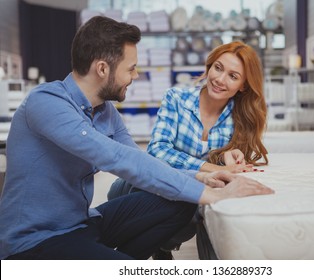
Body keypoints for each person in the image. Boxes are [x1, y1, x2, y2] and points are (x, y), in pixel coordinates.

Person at [0, 16, 273, 260]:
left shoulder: (104, 110)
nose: (136, 75)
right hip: (35, 242)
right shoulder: (46, 103)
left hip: (81, 223)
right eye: (131, 69)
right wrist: (211, 196)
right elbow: (118, 158)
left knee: (179, 203)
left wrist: (201, 178)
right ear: (103, 69)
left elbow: (140, 161)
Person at [108, 41, 269, 259]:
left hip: (182, 196)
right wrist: (211, 167)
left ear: (243, 85)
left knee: (188, 209)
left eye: (233, 76)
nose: (220, 80)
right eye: (218, 68)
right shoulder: (176, 98)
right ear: (210, 67)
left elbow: (225, 167)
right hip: (138, 187)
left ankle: (154, 250)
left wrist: (228, 157)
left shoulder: (240, 119)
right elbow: (157, 151)